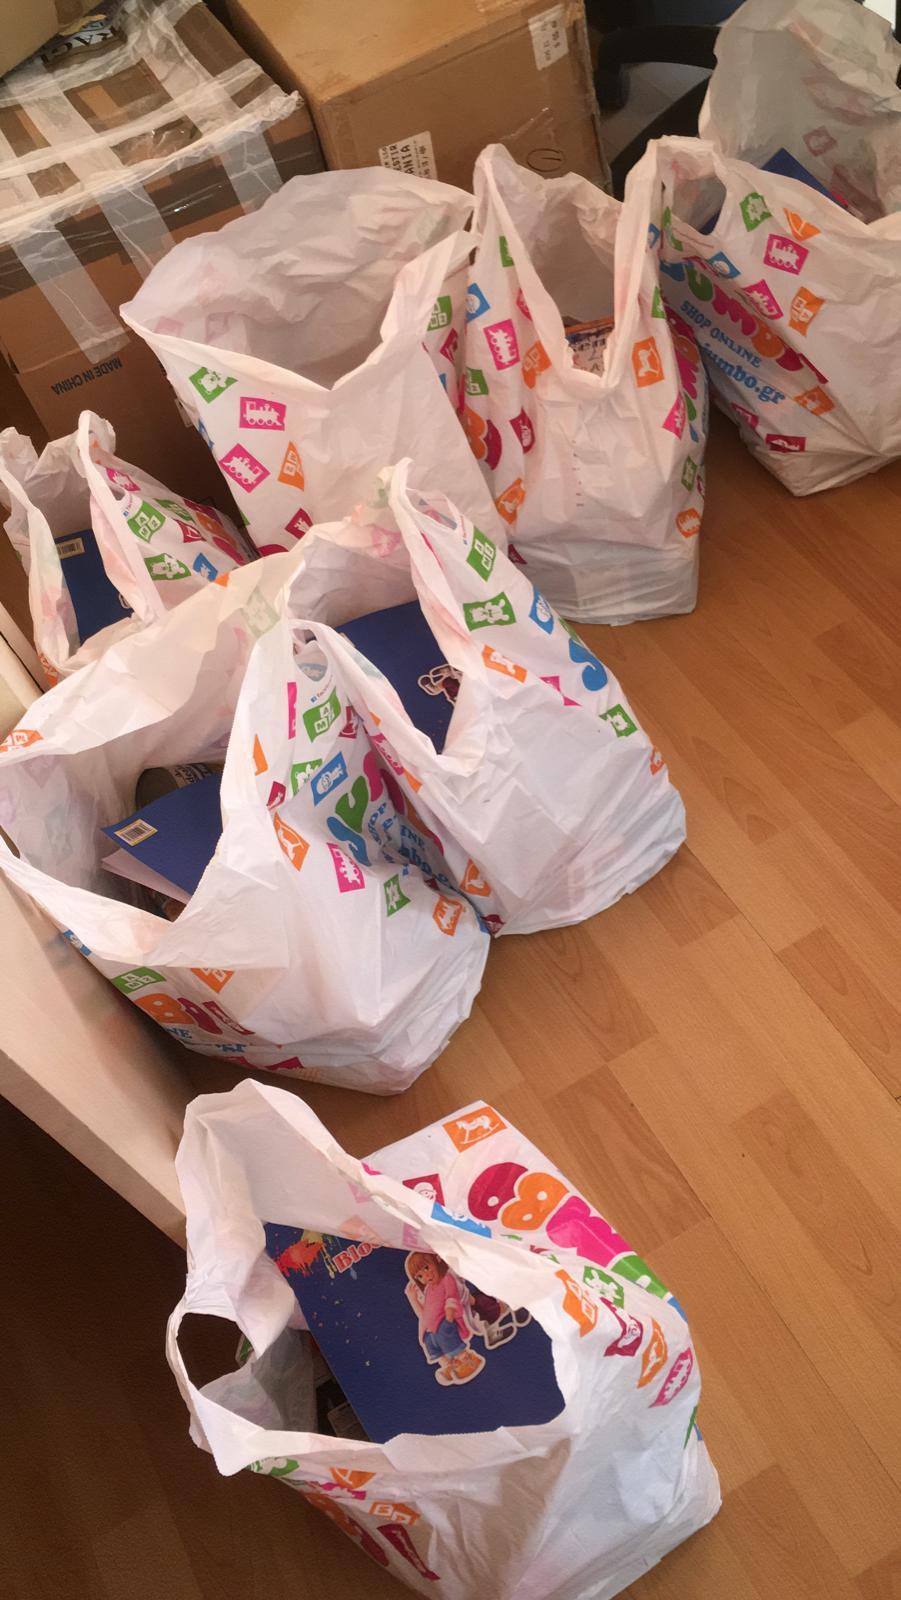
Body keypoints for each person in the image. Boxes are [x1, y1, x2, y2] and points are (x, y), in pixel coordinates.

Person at [404, 1251, 485, 1386]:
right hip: (432, 1330)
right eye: (420, 1276)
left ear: (436, 1262)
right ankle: (448, 1366)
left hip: (446, 1323)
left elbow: (451, 1297)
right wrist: (413, 1299)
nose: (426, 1276)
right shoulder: (428, 1290)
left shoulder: (446, 1279)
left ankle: (467, 1360)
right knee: (430, 1343)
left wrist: (449, 1318)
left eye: (426, 1268)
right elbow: (424, 1315)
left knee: (447, 1339)